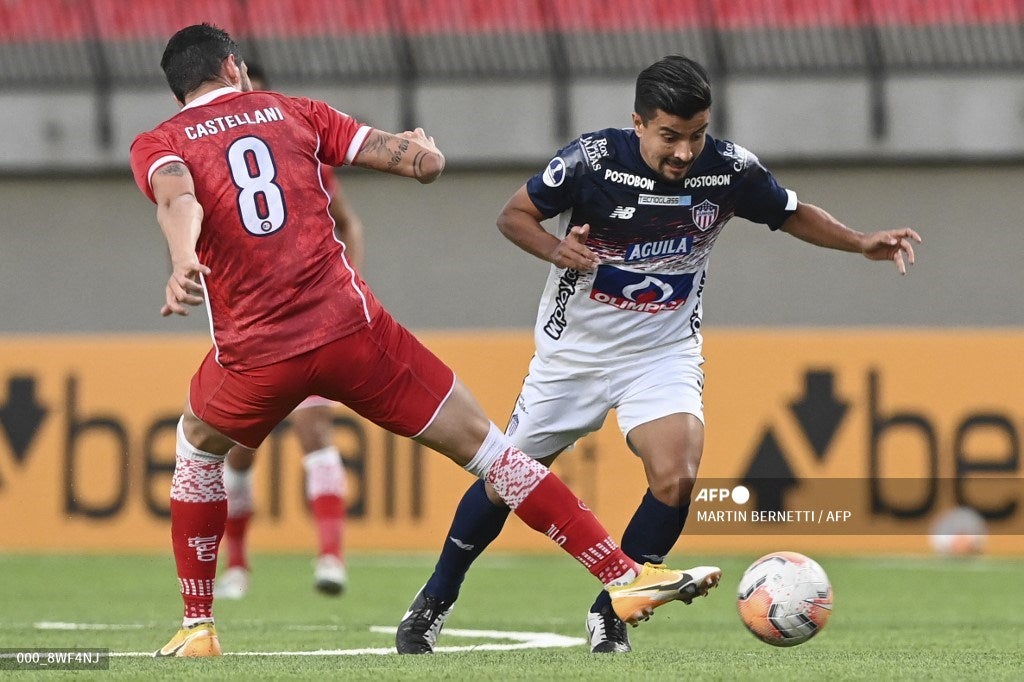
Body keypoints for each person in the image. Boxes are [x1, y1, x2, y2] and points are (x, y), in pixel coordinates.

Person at [129, 25, 721, 659]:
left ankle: (198, 627)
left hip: (255, 355)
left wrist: (184, 256)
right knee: (493, 452)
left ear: (178, 90)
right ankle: (621, 578)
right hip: (351, 335)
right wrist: (422, 149)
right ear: (233, 66)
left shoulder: (160, 142)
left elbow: (178, 194)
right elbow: (419, 165)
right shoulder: (296, 112)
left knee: (196, 450)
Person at [395, 54, 922, 655]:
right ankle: (435, 599)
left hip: (663, 352)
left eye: (696, 135)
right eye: (669, 136)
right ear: (639, 123)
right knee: (505, 479)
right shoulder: (590, 162)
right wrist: (554, 250)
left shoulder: (728, 170)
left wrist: (860, 243)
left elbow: (789, 212)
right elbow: (513, 214)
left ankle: (614, 607)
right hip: (575, 356)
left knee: (678, 475)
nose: (683, 152)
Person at [213, 62, 366, 600]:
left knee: (314, 432)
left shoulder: (302, 149)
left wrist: (349, 286)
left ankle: (331, 558)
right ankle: (236, 565)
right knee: (239, 448)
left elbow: (347, 222)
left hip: (311, 319)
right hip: (252, 325)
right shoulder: (214, 155)